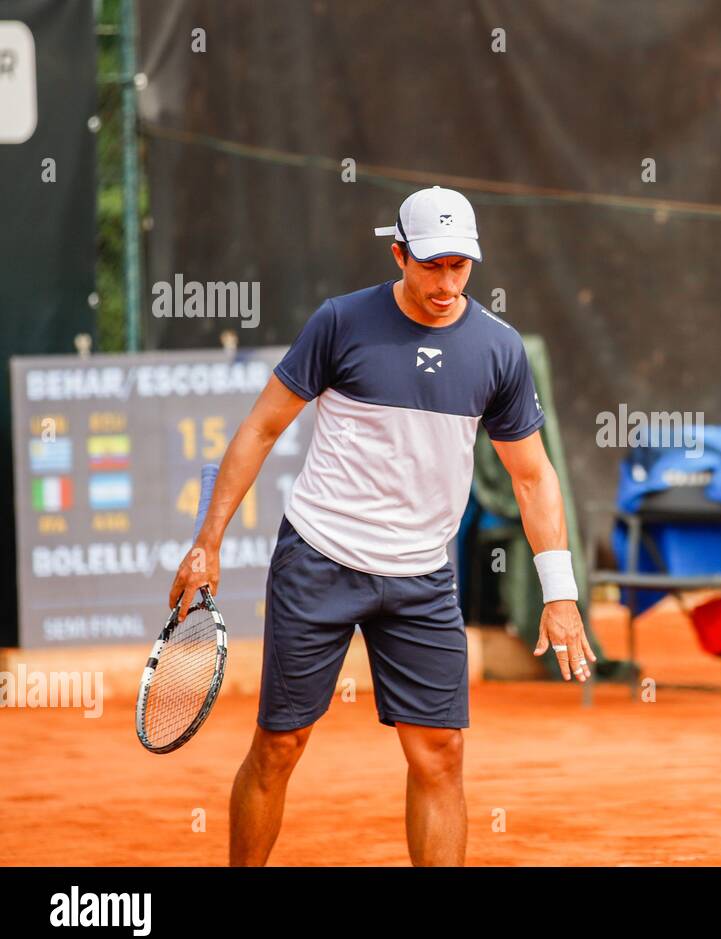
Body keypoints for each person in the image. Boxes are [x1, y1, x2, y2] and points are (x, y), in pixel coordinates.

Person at [166, 186, 596, 866]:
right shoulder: (340, 323)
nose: (447, 282)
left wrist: (561, 592)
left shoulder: (498, 350)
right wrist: (205, 542)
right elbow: (261, 429)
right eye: (432, 265)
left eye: (461, 265)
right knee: (281, 744)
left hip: (423, 577)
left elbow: (534, 476)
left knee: (441, 754)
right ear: (399, 255)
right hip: (320, 560)